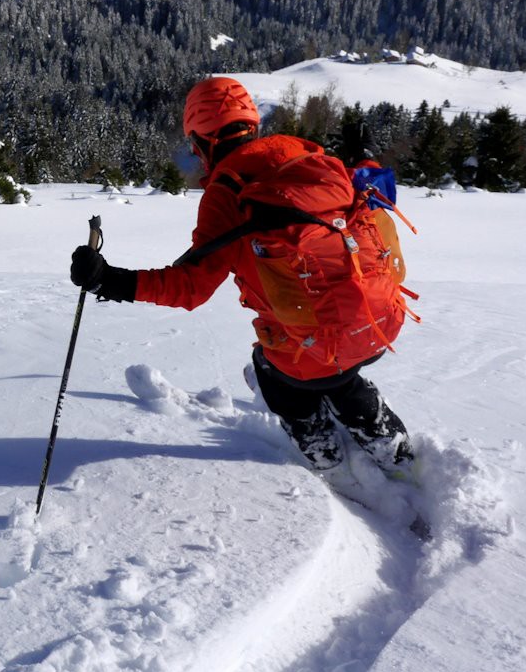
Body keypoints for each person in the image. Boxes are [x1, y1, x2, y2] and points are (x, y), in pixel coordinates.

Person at [69, 76, 415, 479]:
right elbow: (373, 193)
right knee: (338, 372)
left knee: (275, 371)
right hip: (380, 323)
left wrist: (107, 280)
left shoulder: (228, 193)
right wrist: (367, 158)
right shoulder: (311, 157)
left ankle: (328, 462)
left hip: (309, 348)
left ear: (202, 143)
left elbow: (191, 288)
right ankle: (400, 458)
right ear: (252, 125)